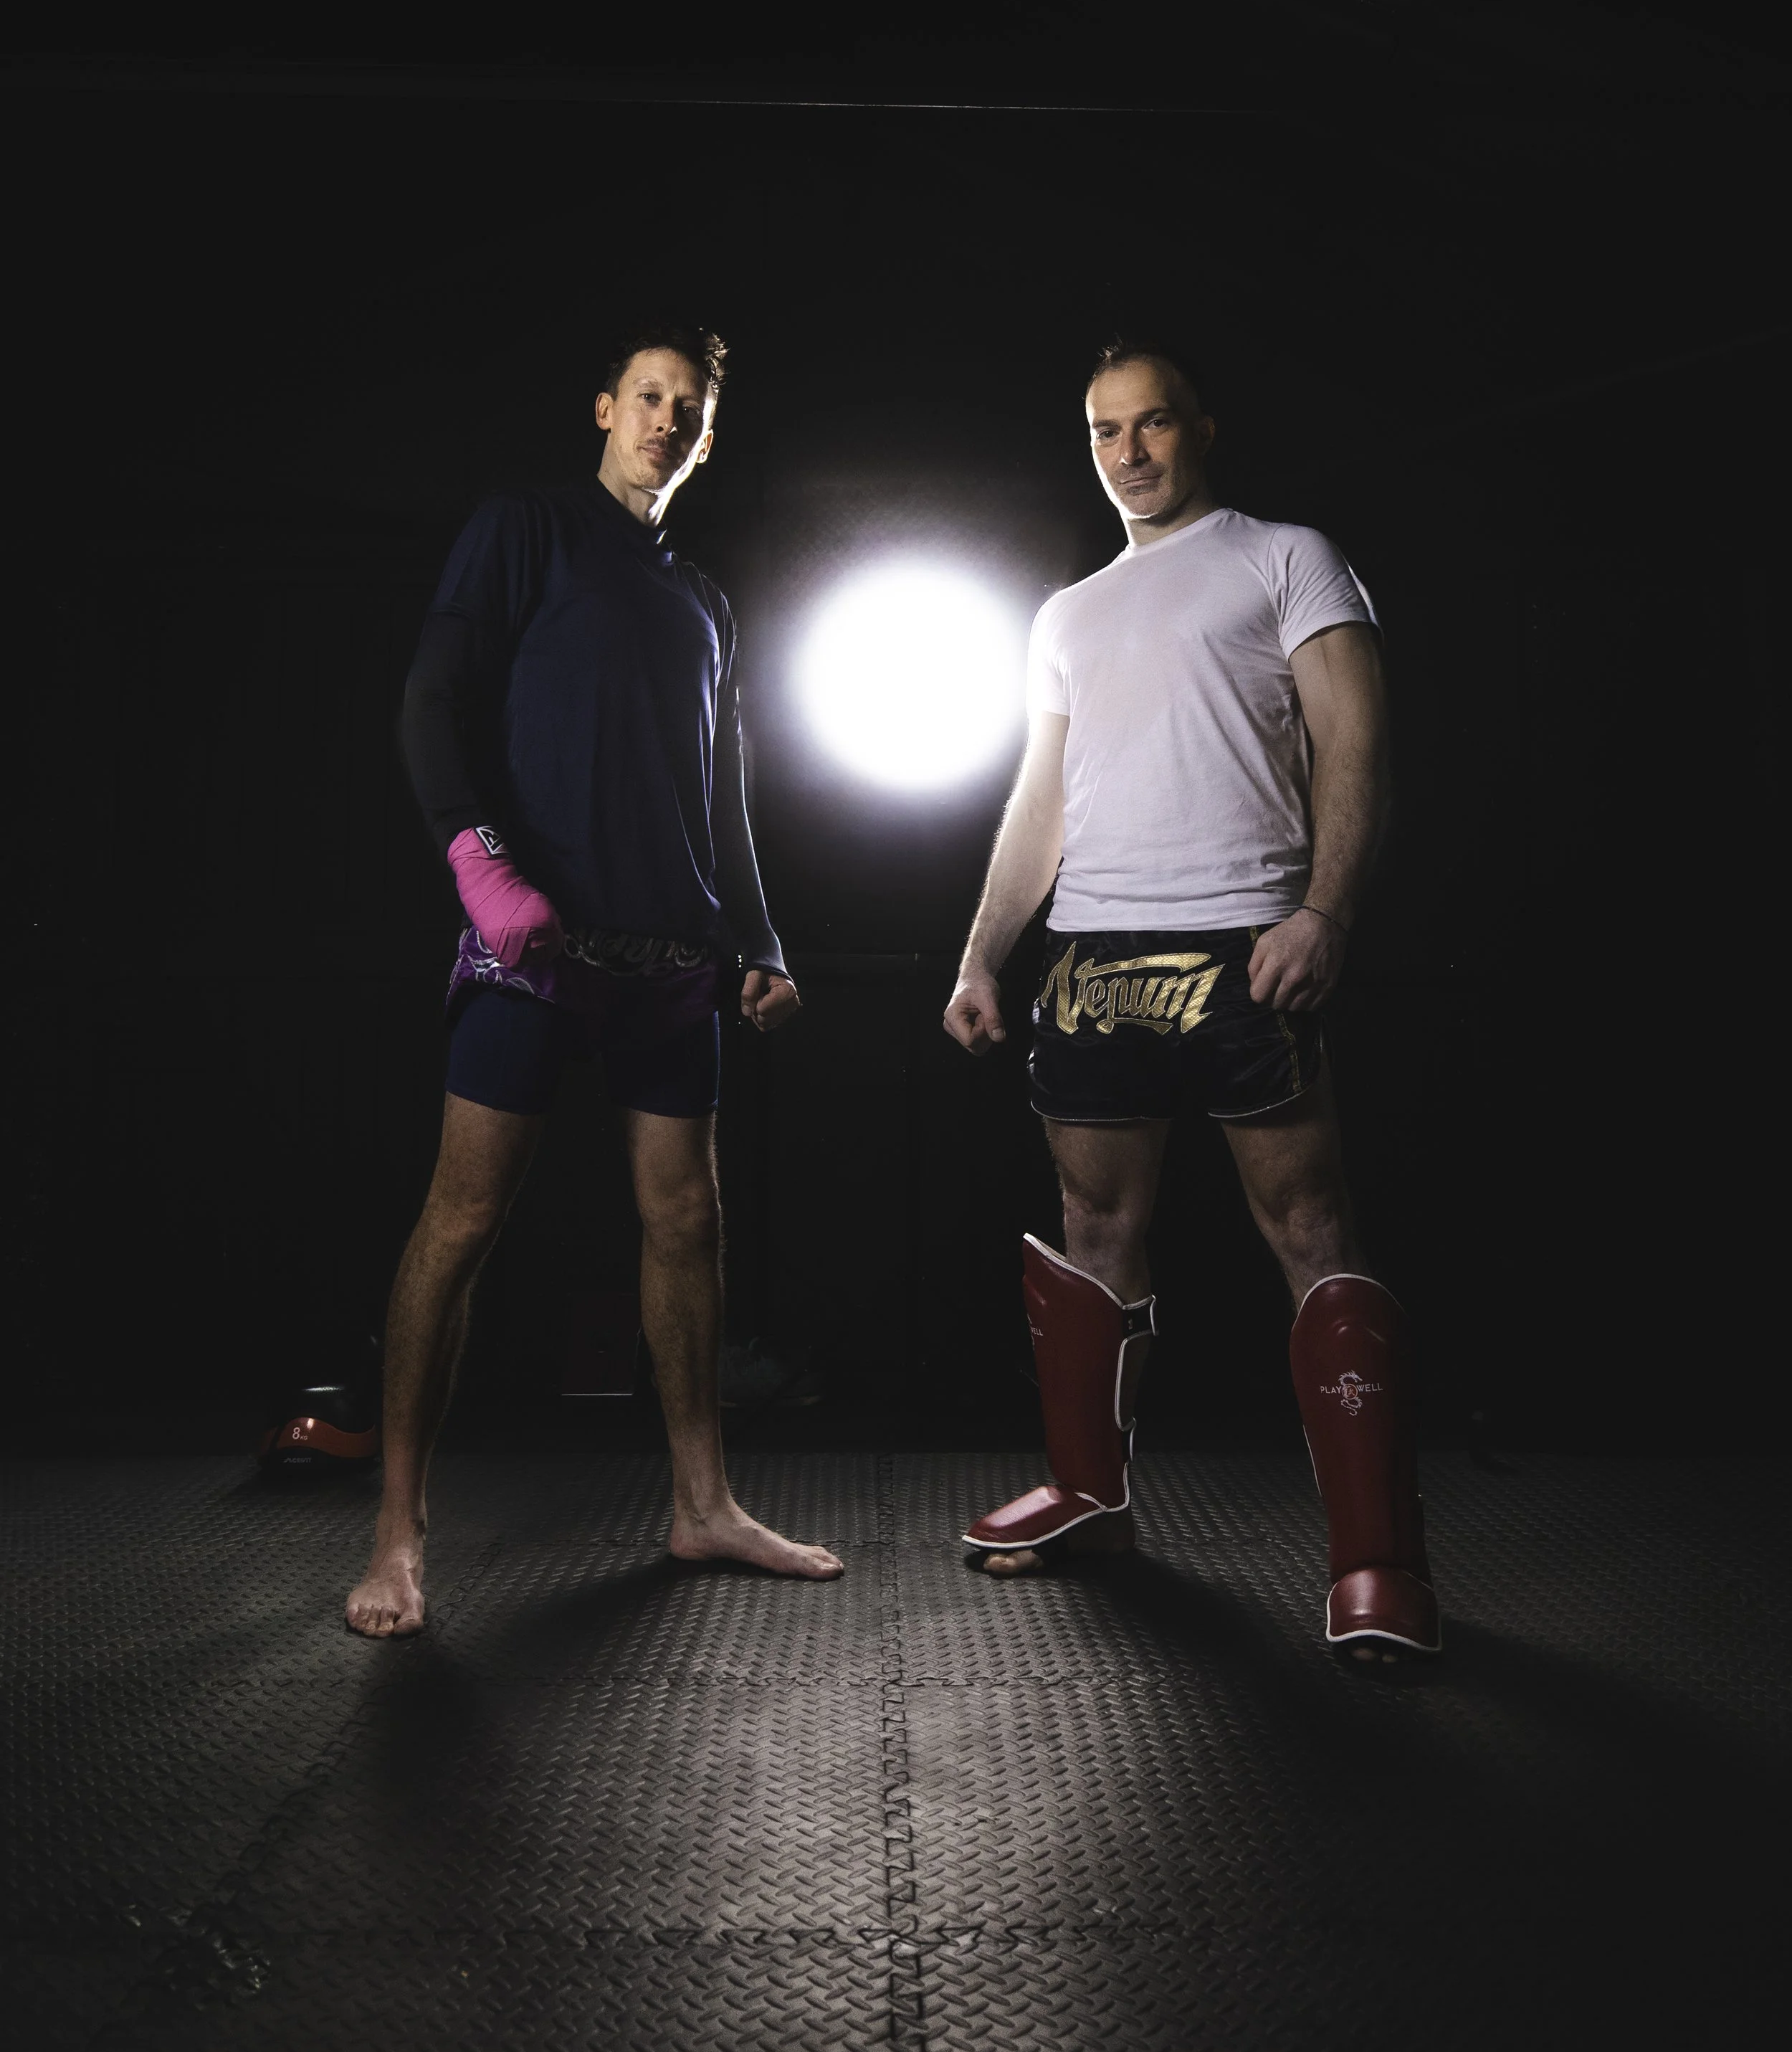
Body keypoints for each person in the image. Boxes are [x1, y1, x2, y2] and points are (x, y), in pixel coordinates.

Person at [942, 343, 1439, 1662]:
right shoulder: (1067, 612)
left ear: (1200, 427)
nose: (1130, 450)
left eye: (1152, 422)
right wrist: (983, 955)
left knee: (1312, 1225)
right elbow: (1040, 799)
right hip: (1094, 956)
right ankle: (1092, 1502)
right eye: (1106, 429)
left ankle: (1380, 1561)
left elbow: (1358, 741)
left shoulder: (1285, 555)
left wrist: (1322, 911)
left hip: (1245, 939)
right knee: (1092, 1231)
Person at [347, 328, 843, 1635]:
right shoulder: (527, 528)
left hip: (673, 954)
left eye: (691, 408)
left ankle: (702, 1503)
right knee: (460, 1221)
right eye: (649, 397)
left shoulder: (706, 598)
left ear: (707, 437)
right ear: (607, 409)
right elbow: (428, 699)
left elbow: (718, 792)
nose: (667, 419)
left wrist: (762, 938)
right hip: (536, 942)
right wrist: (480, 865)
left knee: (689, 1222)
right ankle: (397, 1534)